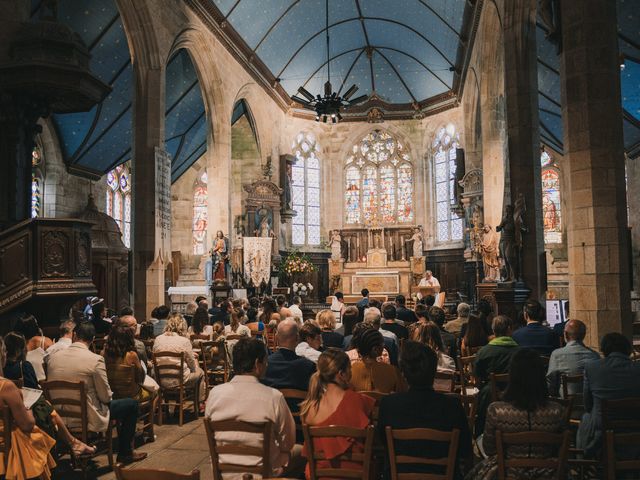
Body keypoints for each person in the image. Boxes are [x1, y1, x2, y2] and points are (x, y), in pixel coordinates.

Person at [46, 321, 147, 463]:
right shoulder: (95, 360)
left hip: (58, 417)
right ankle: (125, 452)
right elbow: (106, 397)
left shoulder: (52, 358)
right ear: (92, 338)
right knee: (132, 405)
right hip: (87, 415)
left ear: (74, 335)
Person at [205, 338, 301, 478]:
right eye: (265, 361)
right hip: (263, 473)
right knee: (302, 452)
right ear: (257, 364)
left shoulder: (214, 394)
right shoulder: (273, 397)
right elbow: (288, 442)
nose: (267, 365)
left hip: (224, 472)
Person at [467, 349, 566, 480]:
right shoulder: (556, 411)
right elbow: (557, 449)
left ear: (512, 376)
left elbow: (489, 449)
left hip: (507, 472)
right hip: (547, 473)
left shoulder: (497, 411)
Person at [378, 341, 472, 479]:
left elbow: (383, 444)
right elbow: (465, 449)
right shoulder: (453, 406)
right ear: (434, 372)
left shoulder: (389, 404)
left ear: (403, 373)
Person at [300, 349, 375, 478]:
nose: (351, 373)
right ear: (342, 374)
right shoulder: (359, 401)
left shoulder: (308, 408)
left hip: (319, 475)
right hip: (356, 473)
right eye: (349, 369)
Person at [0, 336, 58, 479]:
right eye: (4, 351)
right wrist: (27, 404)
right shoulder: (6, 387)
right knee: (39, 434)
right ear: (2, 354)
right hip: (8, 447)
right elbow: (27, 424)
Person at [577, 332, 640, 457]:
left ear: (604, 349)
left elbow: (588, 404)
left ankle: (581, 463)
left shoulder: (592, 368)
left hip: (601, 432)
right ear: (628, 349)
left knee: (586, 418)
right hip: (635, 427)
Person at [474, 315, 520, 436]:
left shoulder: (484, 351)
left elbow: (477, 377)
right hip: (516, 395)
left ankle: (481, 435)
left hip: (489, 396)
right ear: (510, 330)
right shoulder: (520, 352)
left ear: (493, 331)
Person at [152, 313, 205, 407]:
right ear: (182, 325)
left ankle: (171, 405)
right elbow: (192, 366)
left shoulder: (158, 339)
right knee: (200, 373)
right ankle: (200, 403)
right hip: (180, 380)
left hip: (160, 379)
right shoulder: (184, 341)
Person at [546, 319, 599, 397]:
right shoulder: (594, 355)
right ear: (584, 335)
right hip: (588, 403)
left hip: (566, 403)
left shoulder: (557, 354)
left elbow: (551, 382)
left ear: (566, 335)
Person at [262, 319, 317, 391]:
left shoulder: (265, 365)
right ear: (297, 338)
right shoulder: (309, 366)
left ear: (276, 337)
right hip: (299, 402)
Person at [103, 325, 150, 403]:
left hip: (112, 394)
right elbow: (140, 378)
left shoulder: (104, 354)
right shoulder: (132, 355)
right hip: (131, 396)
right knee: (156, 394)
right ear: (129, 338)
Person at [350, 329, 406, 393]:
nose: (384, 346)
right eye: (382, 344)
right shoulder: (392, 371)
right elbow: (402, 394)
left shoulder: (351, 370)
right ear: (375, 349)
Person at [13, 314, 53, 382]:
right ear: (34, 326)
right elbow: (52, 363)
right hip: (44, 383)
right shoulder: (45, 342)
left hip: (26, 384)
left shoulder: (16, 344)